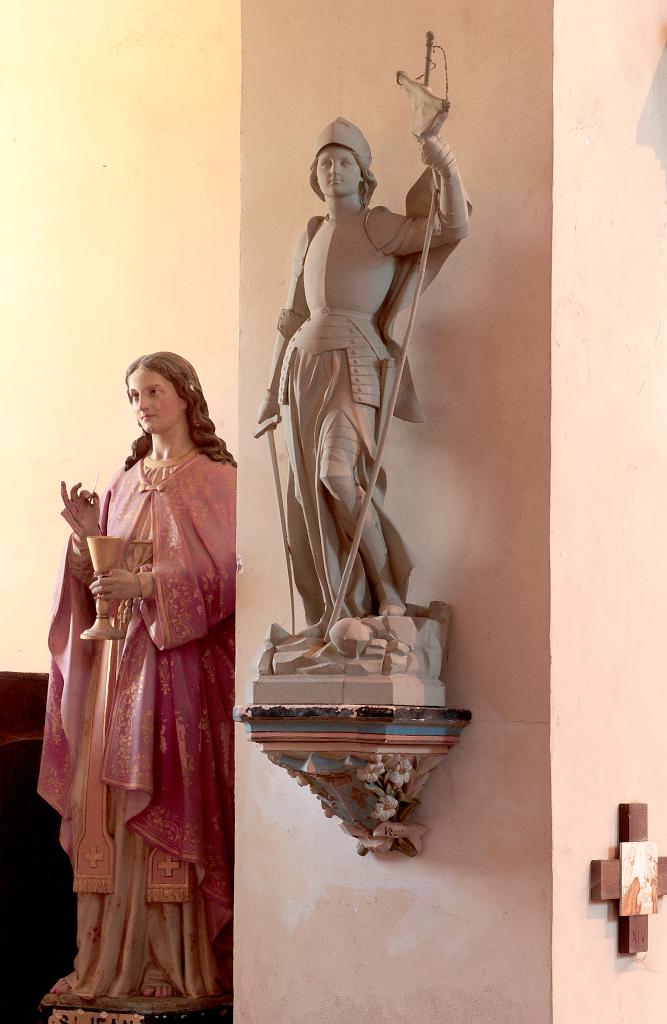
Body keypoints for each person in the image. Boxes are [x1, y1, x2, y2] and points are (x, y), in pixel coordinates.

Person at [39, 352, 237, 1001]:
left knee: (166, 795)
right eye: (133, 394)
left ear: (184, 395)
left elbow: (231, 578)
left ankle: (171, 967)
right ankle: (104, 965)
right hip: (118, 672)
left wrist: (148, 584)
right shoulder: (123, 482)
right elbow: (98, 583)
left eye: (153, 390)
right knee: (109, 812)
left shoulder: (217, 480)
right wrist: (86, 540)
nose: (142, 403)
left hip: (177, 672)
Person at [257, 101, 470, 636]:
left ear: (363, 173)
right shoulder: (309, 234)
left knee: (339, 476)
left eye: (345, 163)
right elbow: (291, 317)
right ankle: (335, 610)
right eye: (325, 163)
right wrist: (268, 391)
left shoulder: (378, 226)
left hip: (355, 362)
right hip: (302, 368)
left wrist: (438, 154)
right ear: (315, 175)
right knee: (310, 494)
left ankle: (389, 589)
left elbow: (450, 227)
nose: (334, 171)